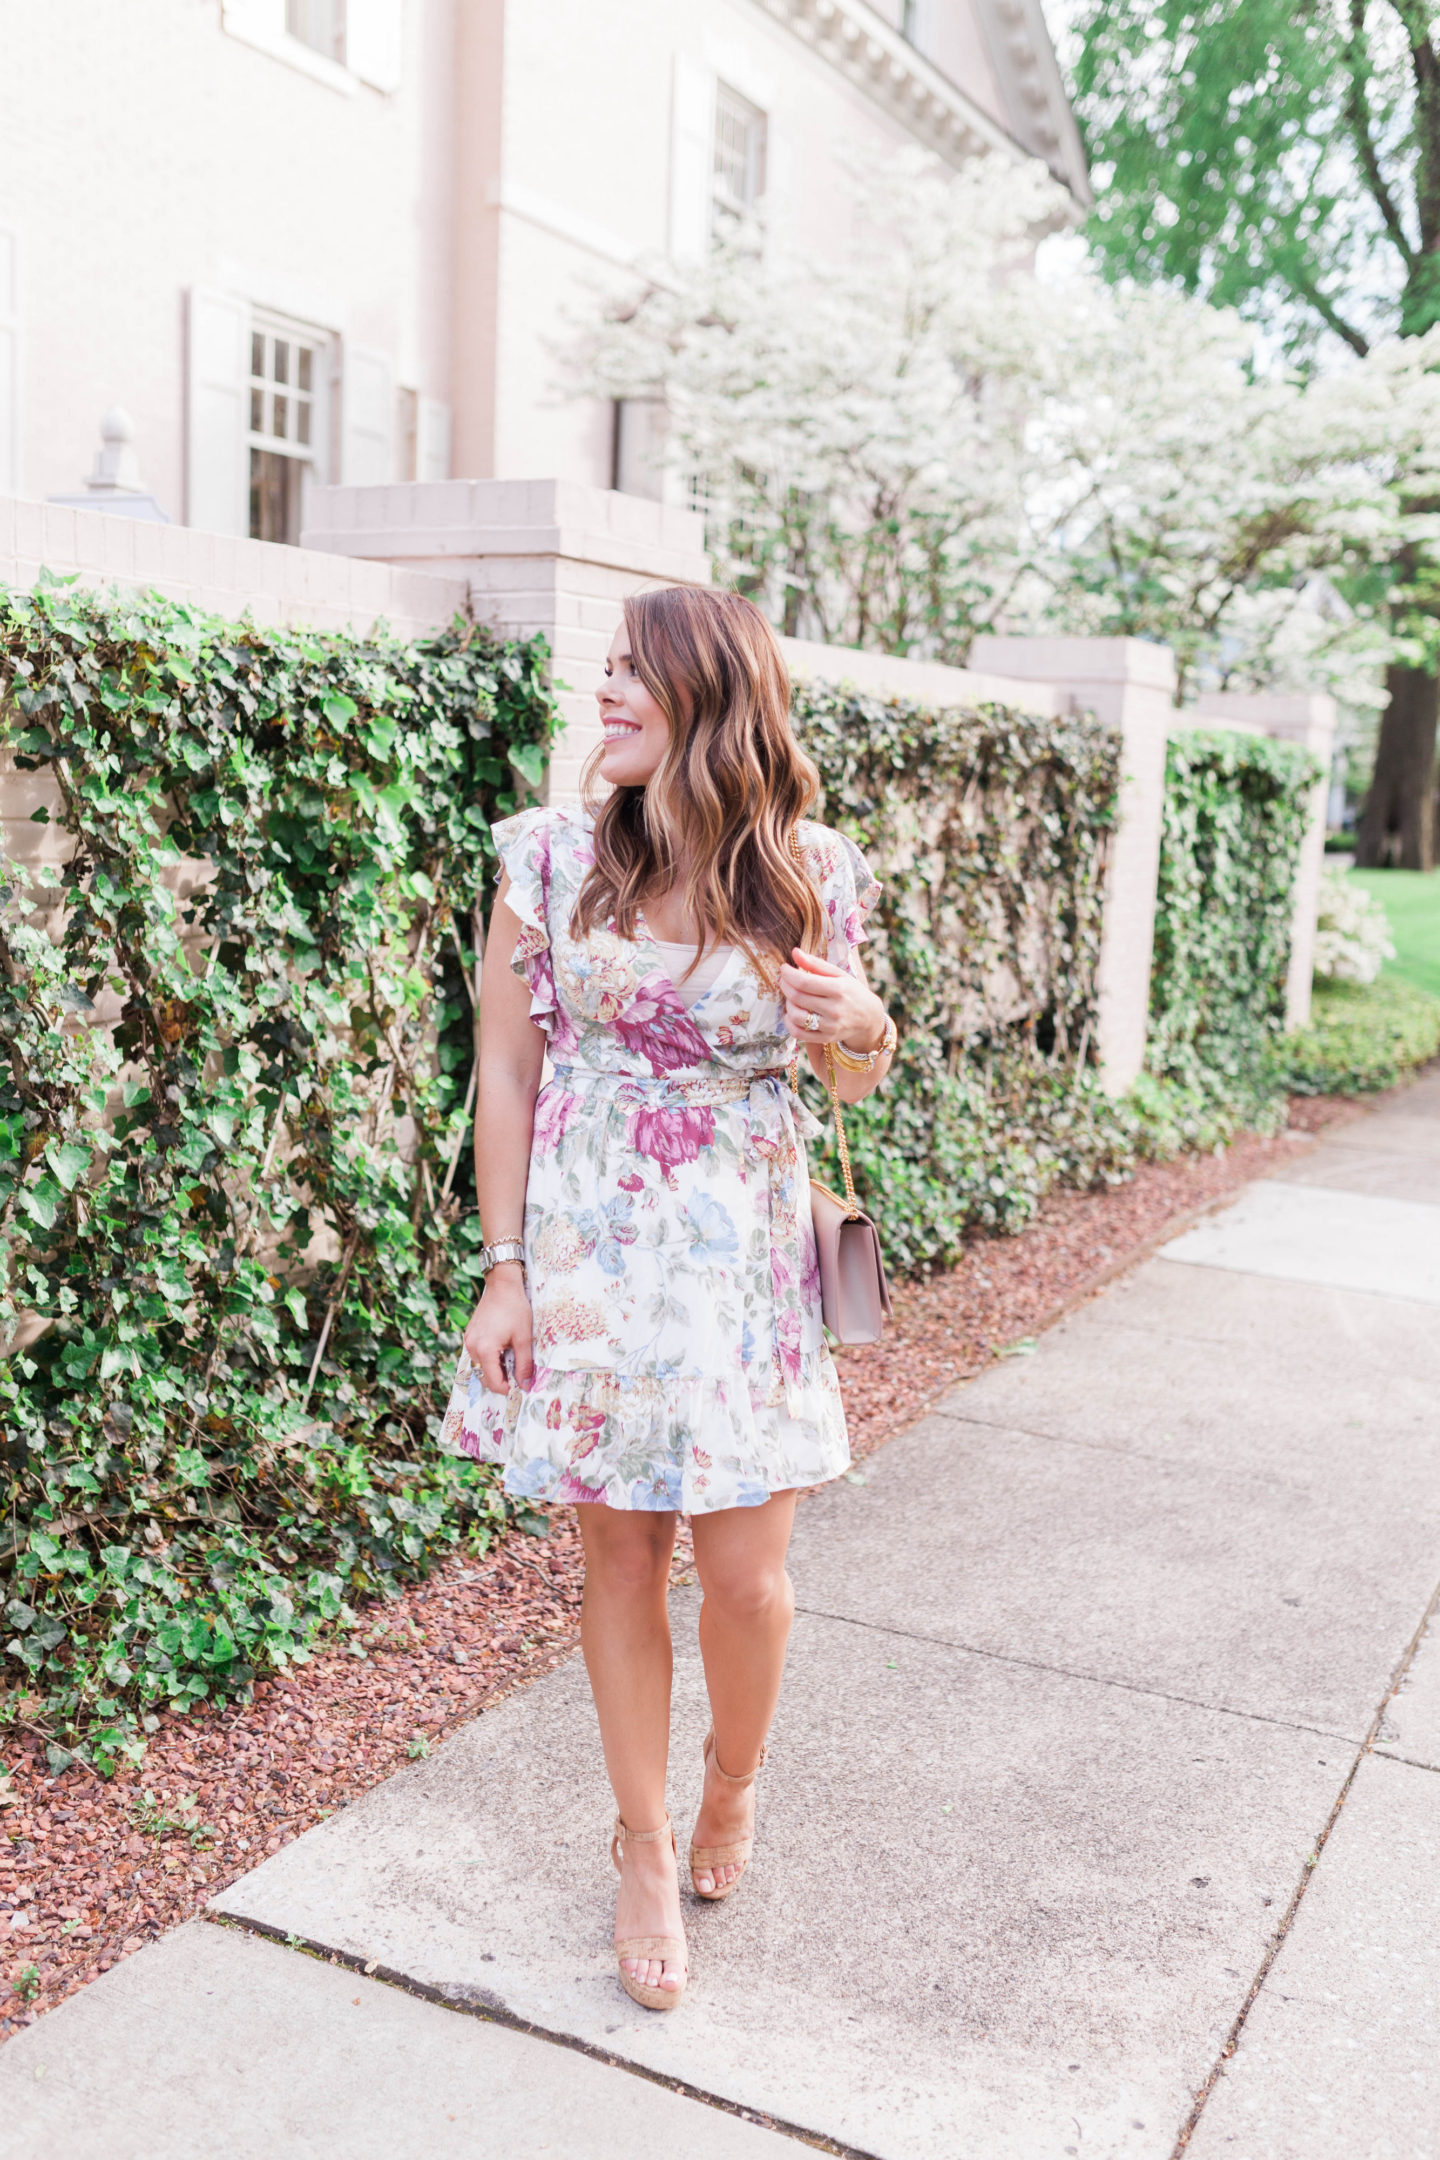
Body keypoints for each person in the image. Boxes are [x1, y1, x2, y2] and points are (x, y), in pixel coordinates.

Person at [439, 585, 895, 2012]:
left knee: (750, 1581)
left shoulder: (810, 869)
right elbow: (504, 1073)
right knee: (621, 1564)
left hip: (746, 1259)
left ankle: (731, 1783)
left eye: (637, 672)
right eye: (610, 669)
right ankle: (640, 1846)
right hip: (588, 1253)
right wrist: (503, 1271)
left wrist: (862, 1027)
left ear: (713, 697)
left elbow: (856, 1071)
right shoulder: (549, 855)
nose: (607, 692)